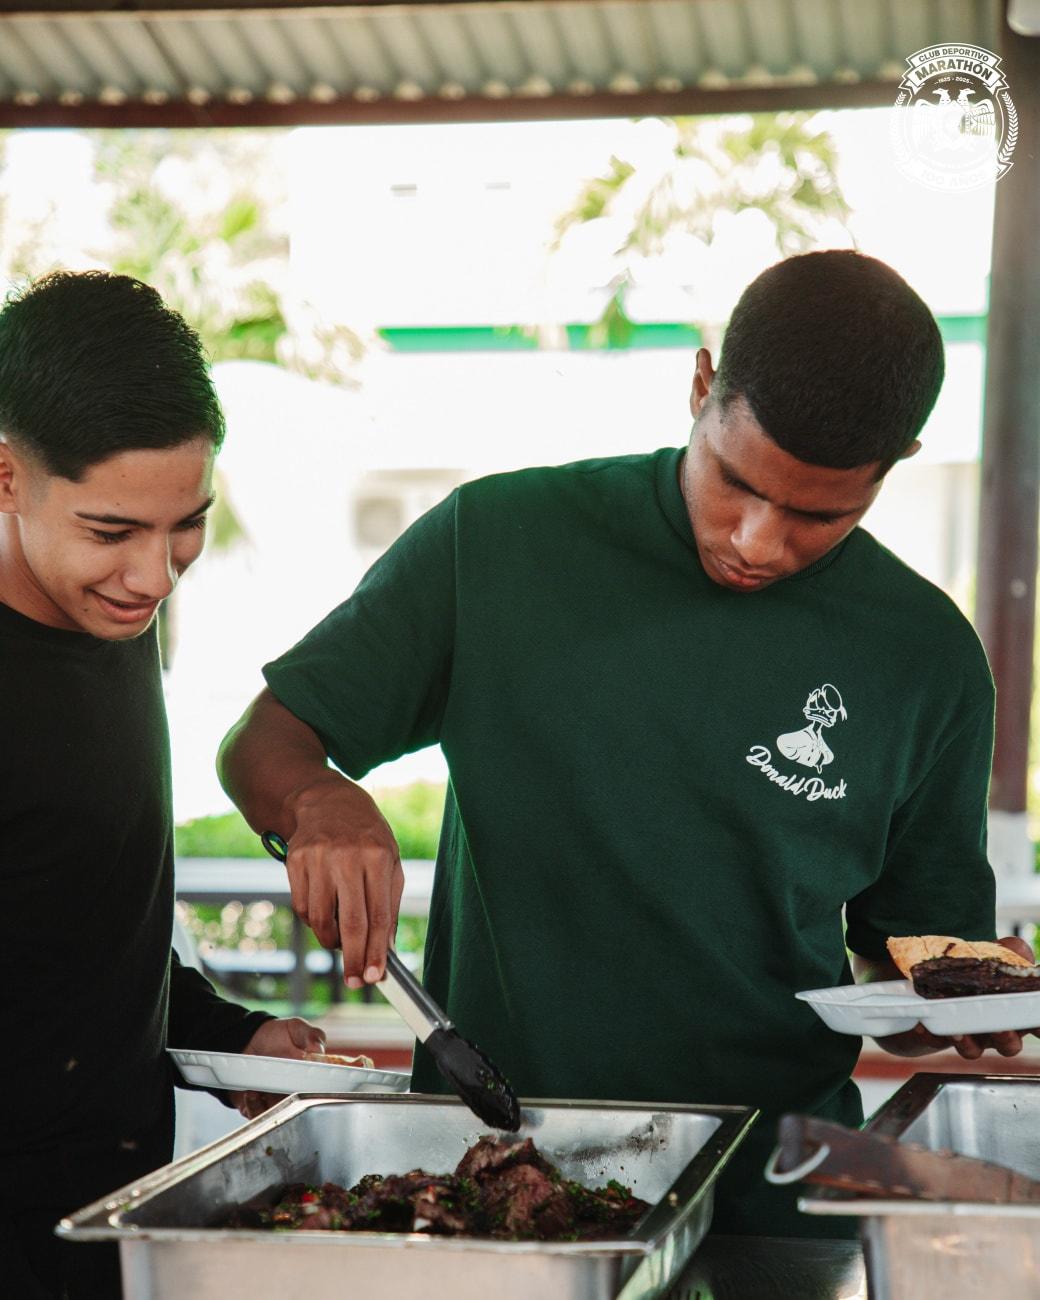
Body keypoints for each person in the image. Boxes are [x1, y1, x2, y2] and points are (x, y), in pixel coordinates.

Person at [217, 250, 1031, 1238]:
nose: (756, 541)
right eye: (734, 483)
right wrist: (318, 799)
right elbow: (264, 741)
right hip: (492, 1178)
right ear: (698, 386)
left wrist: (969, 995)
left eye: (819, 515)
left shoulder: (924, 657)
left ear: (895, 461)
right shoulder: (498, 543)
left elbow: (911, 973)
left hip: (767, 1198)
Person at [0, 271, 326, 1299]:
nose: (155, 574)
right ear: (6, 476)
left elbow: (75, 934)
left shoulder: (109, 616)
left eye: (186, 522)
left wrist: (228, 1034)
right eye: (112, 532)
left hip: (110, 1214)